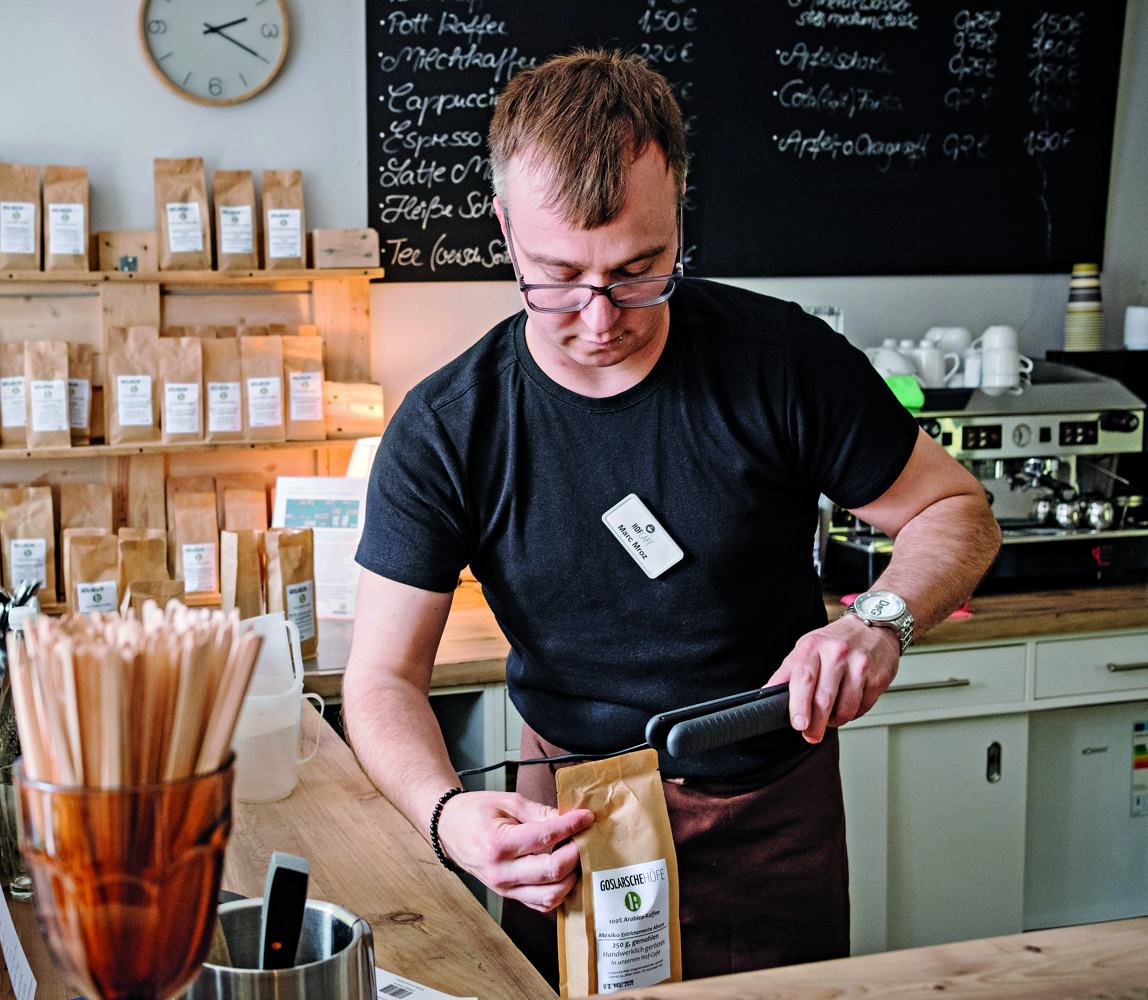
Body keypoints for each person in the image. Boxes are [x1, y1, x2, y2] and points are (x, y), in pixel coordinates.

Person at [342, 50, 1001, 983]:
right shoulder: (451, 427)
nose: (601, 316)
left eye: (640, 269)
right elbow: (381, 680)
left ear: (679, 216)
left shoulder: (782, 360)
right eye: (559, 276)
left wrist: (882, 620)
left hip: (771, 807)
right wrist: (447, 816)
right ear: (505, 231)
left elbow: (955, 509)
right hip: (566, 819)